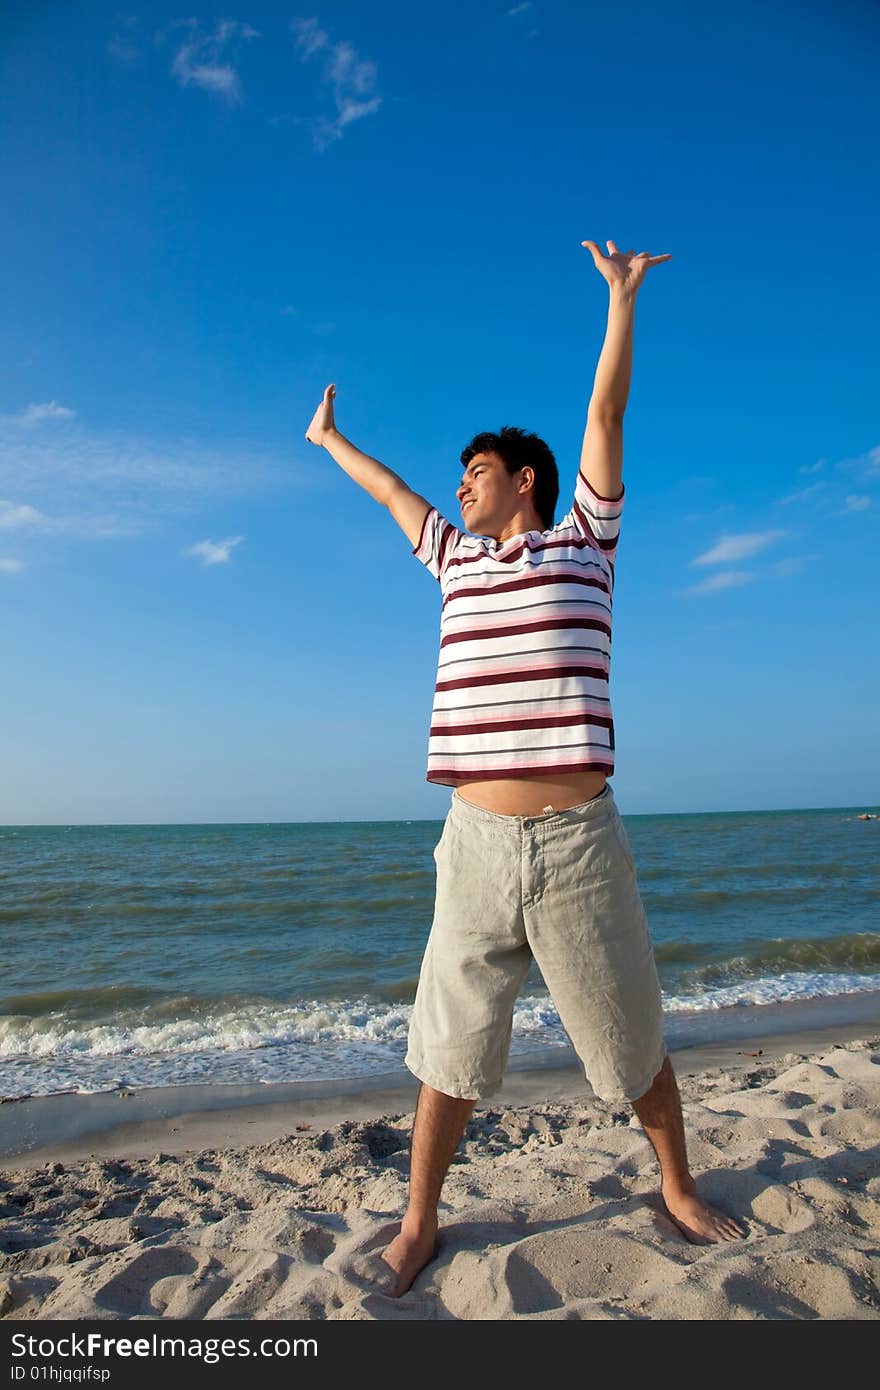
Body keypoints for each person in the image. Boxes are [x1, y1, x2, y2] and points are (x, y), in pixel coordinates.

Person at [305, 238, 747, 1298]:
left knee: (627, 1036)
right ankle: (419, 1219)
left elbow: (605, 418)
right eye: (462, 475)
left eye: (480, 472)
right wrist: (329, 438)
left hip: (578, 842)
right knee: (446, 1047)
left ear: (527, 481)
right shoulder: (453, 559)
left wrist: (620, 301)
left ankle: (676, 1187)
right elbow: (391, 493)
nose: (461, 486)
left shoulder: (584, 543)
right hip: (473, 844)